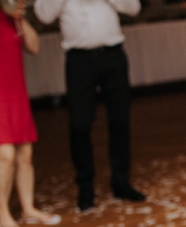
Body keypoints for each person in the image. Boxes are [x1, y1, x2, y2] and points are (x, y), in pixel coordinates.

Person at [34, 0, 145, 212]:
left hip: (113, 56)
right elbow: (44, 16)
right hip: (79, 61)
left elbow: (133, 8)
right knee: (79, 124)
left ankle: (121, 182)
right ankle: (85, 188)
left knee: (120, 120)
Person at [0, 0, 61, 227]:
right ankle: (3, 213)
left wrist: (19, 18)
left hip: (12, 91)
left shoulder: (8, 12)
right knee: (5, 155)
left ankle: (28, 209)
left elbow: (34, 46)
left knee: (25, 154)